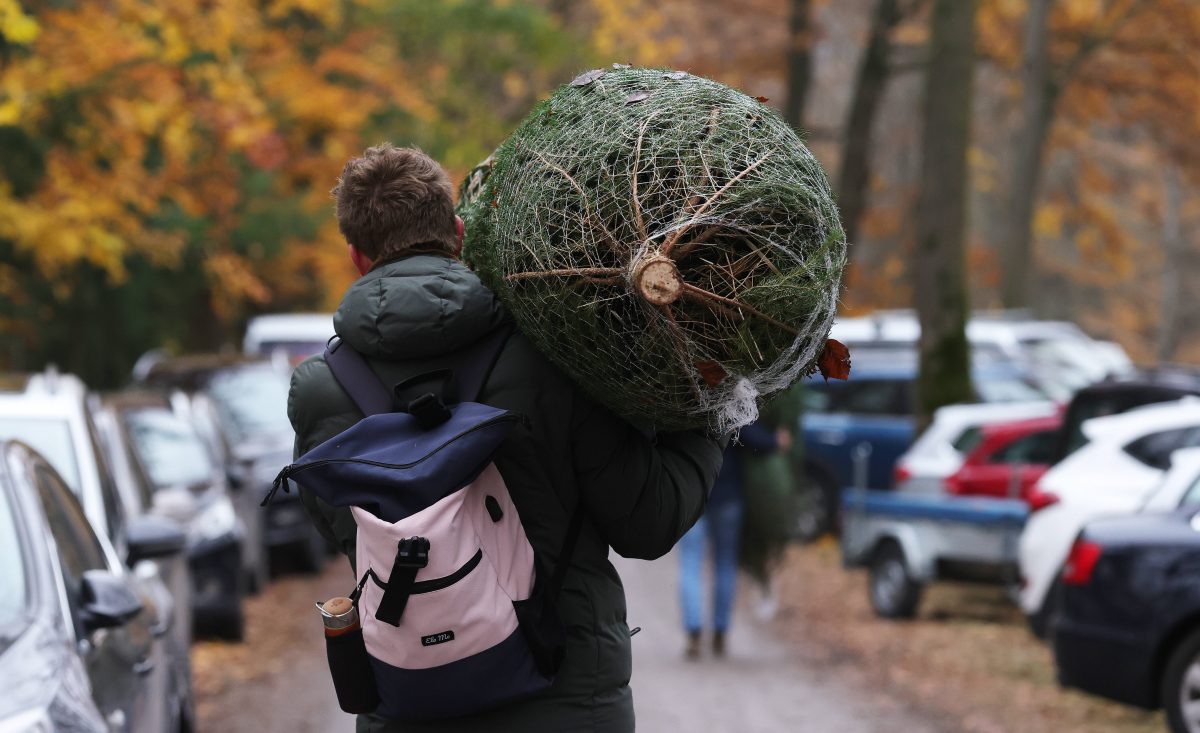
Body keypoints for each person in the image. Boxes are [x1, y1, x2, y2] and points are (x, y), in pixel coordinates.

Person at [286, 143, 724, 733]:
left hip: (408, 699)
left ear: (356, 258)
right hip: (566, 699)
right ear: (460, 235)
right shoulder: (551, 354)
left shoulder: (322, 391)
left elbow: (348, 535)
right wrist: (711, 415)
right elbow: (645, 523)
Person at [678, 420, 786, 658]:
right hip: (727, 498)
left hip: (691, 495)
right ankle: (720, 631)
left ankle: (693, 629)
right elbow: (754, 438)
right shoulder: (729, 398)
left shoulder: (682, 400)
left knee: (690, 563)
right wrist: (776, 440)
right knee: (725, 564)